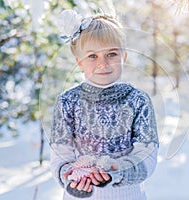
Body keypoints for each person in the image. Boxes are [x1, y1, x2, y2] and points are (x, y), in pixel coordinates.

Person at [50, 9, 159, 200]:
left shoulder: (137, 101)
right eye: (92, 56)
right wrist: (71, 178)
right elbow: (60, 154)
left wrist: (118, 171)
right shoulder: (67, 102)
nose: (103, 63)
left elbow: (146, 155)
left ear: (123, 57)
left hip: (128, 196)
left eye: (111, 54)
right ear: (80, 62)